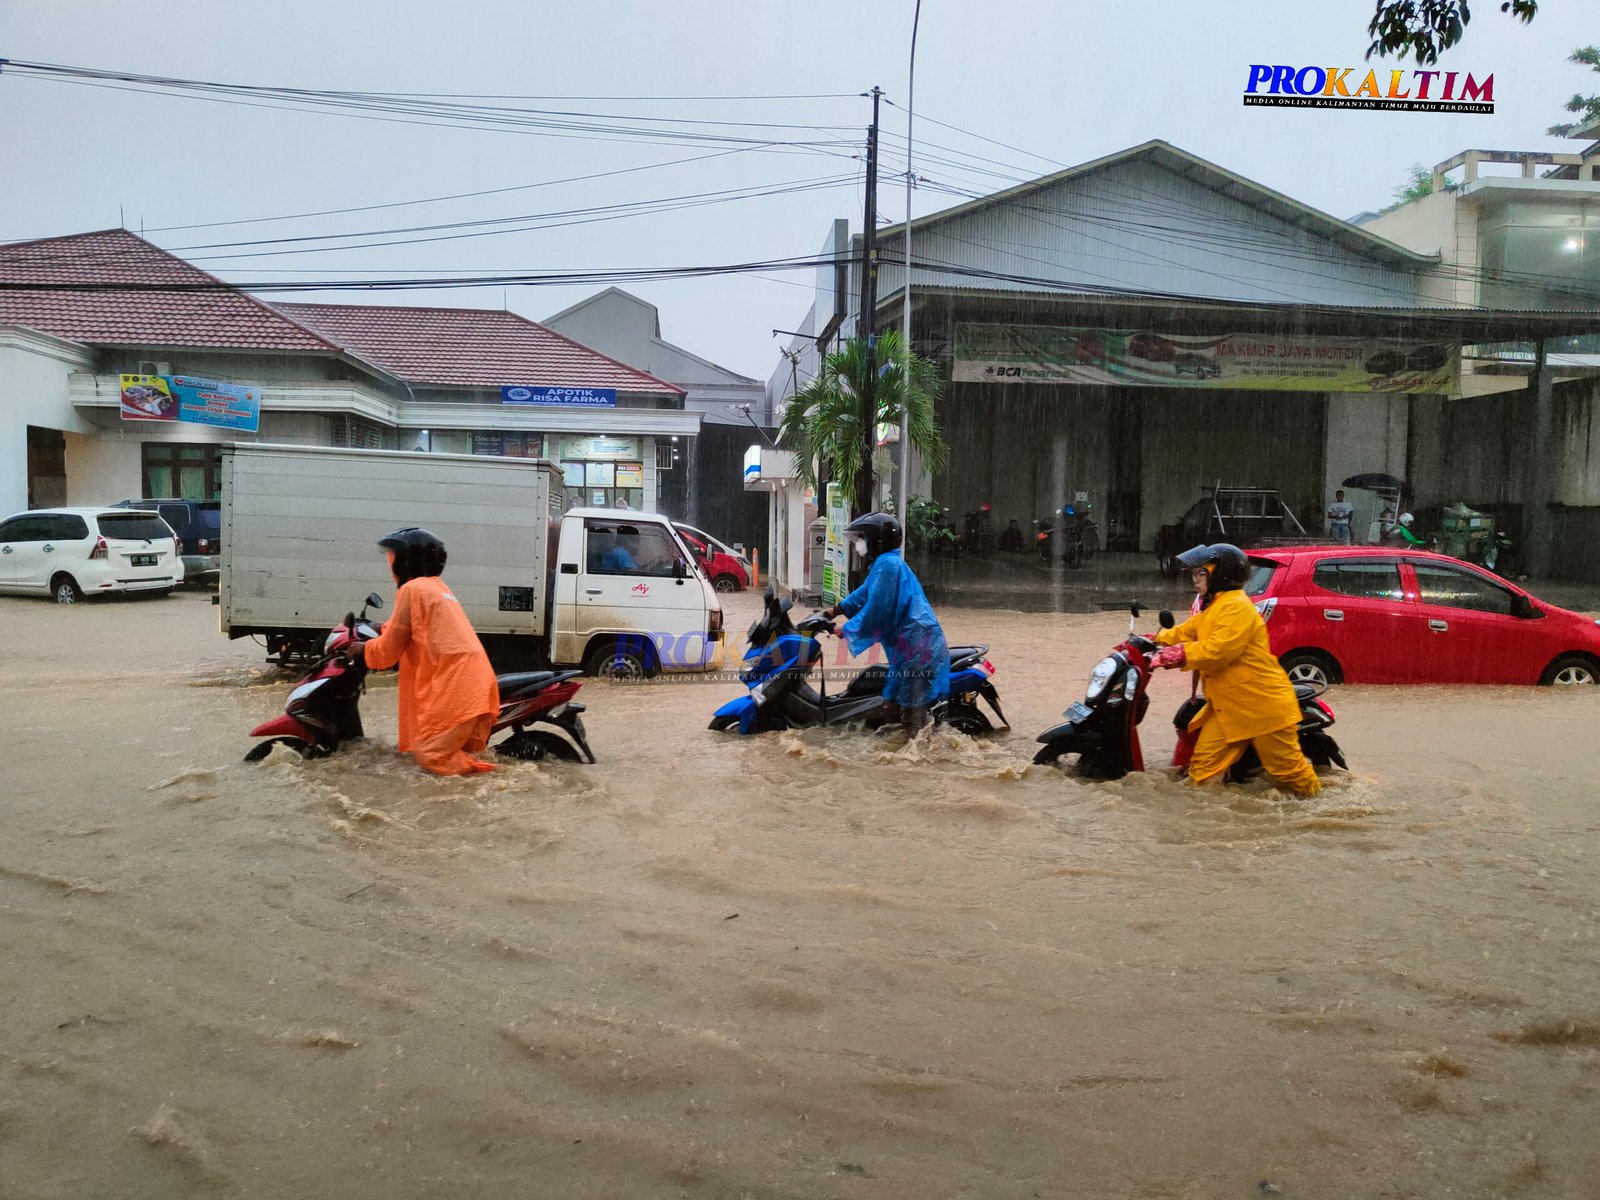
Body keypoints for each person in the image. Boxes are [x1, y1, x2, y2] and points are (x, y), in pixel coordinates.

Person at [1151, 543, 1321, 797]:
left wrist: (1181, 654)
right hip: (1227, 708)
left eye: (1201, 574)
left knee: (1289, 772)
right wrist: (1154, 640)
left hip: (1262, 708)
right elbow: (1187, 630)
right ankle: (1200, 821)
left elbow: (1219, 651)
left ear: (1220, 576)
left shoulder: (1237, 607)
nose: (1195, 580)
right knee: (1202, 771)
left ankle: (1320, 808)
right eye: (1194, 574)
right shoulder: (1215, 606)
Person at [354, 527, 500, 776]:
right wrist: (381, 626)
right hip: (473, 682)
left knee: (431, 755)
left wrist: (360, 649)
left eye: (393, 556)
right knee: (438, 755)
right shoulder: (436, 587)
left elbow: (389, 650)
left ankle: (497, 777)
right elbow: (418, 627)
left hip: (455, 686)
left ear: (406, 559)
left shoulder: (411, 590)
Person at [821, 512, 950, 733]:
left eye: (862, 538)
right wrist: (836, 610)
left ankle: (916, 757)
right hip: (905, 650)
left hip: (917, 649)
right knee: (890, 703)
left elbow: (879, 609)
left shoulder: (888, 565)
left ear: (876, 541)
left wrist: (848, 629)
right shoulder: (884, 564)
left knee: (912, 715)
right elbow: (865, 593)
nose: (859, 545)